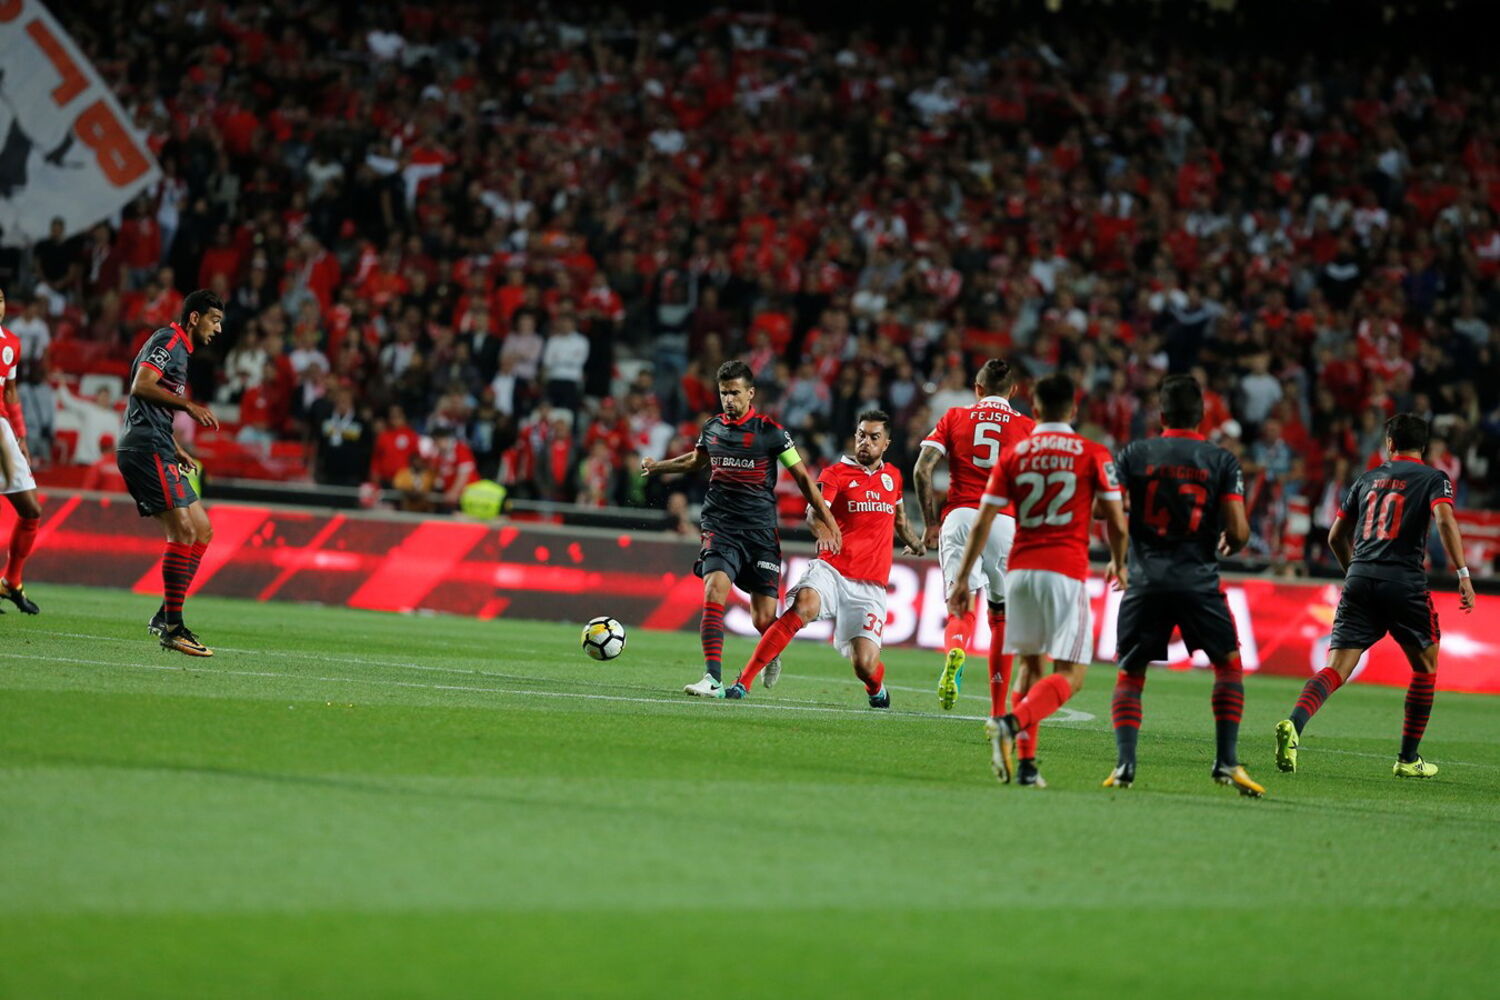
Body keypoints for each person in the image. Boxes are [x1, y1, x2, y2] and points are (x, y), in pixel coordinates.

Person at [947, 372, 1128, 787]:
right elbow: (1117, 521)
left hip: (1021, 572)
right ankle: (1010, 723)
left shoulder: (1015, 454)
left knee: (1030, 668)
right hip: (1065, 570)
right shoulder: (1093, 452)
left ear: (1037, 408)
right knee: (1071, 674)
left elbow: (983, 521)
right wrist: (1120, 562)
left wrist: (961, 580)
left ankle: (1027, 767)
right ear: (1074, 409)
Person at [1274, 413, 1476, 779]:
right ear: (1423, 447)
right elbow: (1445, 520)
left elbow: (1335, 536)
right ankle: (1408, 758)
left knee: (1336, 668)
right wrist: (1463, 573)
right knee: (1425, 666)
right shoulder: (1434, 478)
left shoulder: (1366, 479)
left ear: (1390, 443)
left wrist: (1354, 572)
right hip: (1404, 582)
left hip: (1360, 577)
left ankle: (1294, 723)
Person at [642, 360, 842, 697]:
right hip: (720, 526)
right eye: (724, 393)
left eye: (735, 393)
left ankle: (771, 651)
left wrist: (829, 520)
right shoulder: (712, 428)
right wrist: (658, 467)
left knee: (763, 620)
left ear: (751, 393)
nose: (729, 400)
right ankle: (712, 678)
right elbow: (696, 461)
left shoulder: (771, 433)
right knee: (714, 589)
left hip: (760, 532)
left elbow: (803, 479)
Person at [1105, 375, 1264, 797]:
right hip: (1198, 580)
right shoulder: (1221, 460)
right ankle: (1226, 760)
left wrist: (1120, 557)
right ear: (1202, 416)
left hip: (1145, 580)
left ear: (1161, 415)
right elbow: (1239, 531)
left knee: (1131, 672)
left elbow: (1111, 512)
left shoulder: (1134, 454)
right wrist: (1233, 540)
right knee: (1227, 664)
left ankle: (1125, 763)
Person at [722, 410, 925, 706]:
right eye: (861, 435)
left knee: (865, 665)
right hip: (832, 568)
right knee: (803, 606)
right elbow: (813, 514)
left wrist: (917, 544)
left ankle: (876, 689)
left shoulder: (893, 476)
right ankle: (743, 682)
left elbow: (901, 520)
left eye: (874, 437)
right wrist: (823, 531)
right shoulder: (836, 473)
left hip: (870, 584)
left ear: (886, 443)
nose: (865, 442)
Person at [913, 358, 1035, 718]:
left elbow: (922, 470)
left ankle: (957, 648)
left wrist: (930, 523)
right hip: (1004, 521)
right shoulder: (1027, 426)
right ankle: (997, 711)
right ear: (1014, 391)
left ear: (977, 389)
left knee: (959, 605)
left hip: (960, 516)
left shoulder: (955, 416)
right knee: (1001, 617)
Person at [116, 289, 224, 656]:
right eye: (214, 320)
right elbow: (141, 385)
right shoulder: (169, 341)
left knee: (202, 530)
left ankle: (166, 614)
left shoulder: (180, 349)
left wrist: (176, 447)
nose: (218, 329)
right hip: (144, 448)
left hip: (159, 444)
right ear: (194, 318)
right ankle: (174, 628)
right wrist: (189, 406)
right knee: (183, 531)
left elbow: (151, 405)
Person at [0, 287, 43, 613]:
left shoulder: (11, 343)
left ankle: (11, 581)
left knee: (31, 510)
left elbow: (11, 392)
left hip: (2, 429)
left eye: (0, 300)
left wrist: (22, 436)